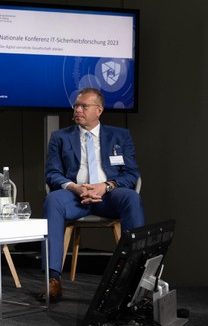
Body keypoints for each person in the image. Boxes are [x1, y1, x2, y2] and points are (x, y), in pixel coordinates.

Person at [43, 87, 145, 300]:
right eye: (76, 106)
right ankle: (52, 279)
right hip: (74, 196)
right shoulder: (60, 137)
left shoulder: (120, 136)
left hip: (108, 196)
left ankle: (132, 277)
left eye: (84, 106)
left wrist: (106, 186)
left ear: (99, 110)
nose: (77, 110)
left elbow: (131, 173)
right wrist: (74, 187)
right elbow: (52, 173)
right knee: (52, 199)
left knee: (132, 198)